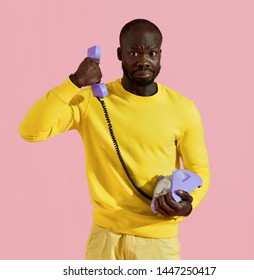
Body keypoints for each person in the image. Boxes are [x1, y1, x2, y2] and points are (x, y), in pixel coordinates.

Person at [19, 19, 210, 260]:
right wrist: (73, 83)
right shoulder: (92, 101)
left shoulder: (183, 109)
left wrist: (189, 204)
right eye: (134, 52)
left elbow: (200, 170)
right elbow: (31, 130)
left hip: (157, 243)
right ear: (120, 54)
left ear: (161, 55)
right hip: (104, 239)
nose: (143, 61)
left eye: (152, 53)